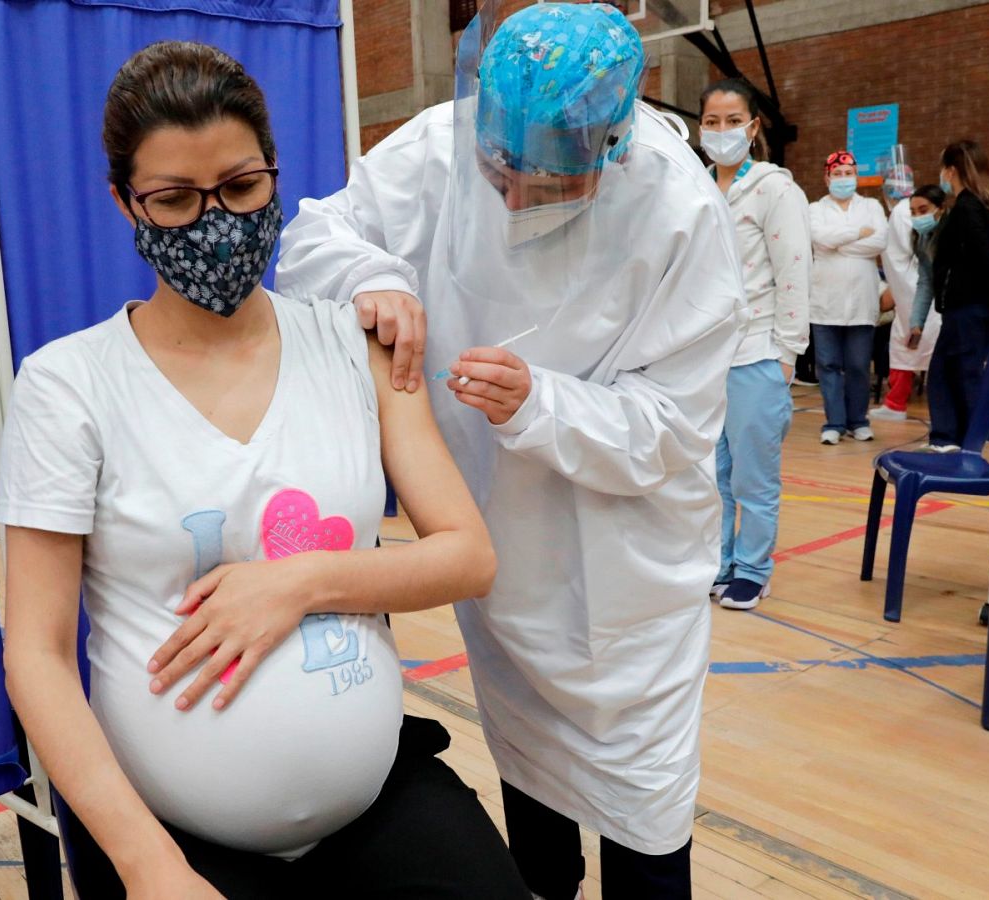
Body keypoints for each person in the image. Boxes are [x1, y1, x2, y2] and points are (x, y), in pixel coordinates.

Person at [0, 41, 530, 900]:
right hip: (170, 837)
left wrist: (301, 581)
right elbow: (38, 654)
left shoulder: (356, 344)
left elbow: (468, 555)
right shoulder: (70, 385)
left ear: (276, 176)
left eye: (242, 188)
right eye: (174, 200)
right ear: (123, 204)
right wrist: (148, 868)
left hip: (375, 805)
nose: (218, 222)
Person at [277, 4, 745, 897]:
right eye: (504, 169)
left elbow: (671, 431)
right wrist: (371, 276)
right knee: (531, 790)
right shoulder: (440, 150)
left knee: (646, 815)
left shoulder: (678, 210)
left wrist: (543, 406)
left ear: (611, 146)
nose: (518, 199)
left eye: (550, 179)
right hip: (499, 557)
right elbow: (313, 238)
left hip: (627, 581)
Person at [697, 77, 809, 611]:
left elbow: (793, 272)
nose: (722, 132)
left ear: (754, 126)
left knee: (752, 476)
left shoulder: (773, 188)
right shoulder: (695, 187)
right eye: (712, 122)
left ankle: (753, 568)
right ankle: (716, 561)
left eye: (732, 121)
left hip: (757, 352)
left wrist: (786, 353)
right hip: (706, 358)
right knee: (711, 474)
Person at [912, 139, 989, 451]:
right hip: (968, 304)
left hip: (967, 306)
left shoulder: (967, 209)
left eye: (944, 168)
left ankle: (958, 438)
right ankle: (956, 436)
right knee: (953, 369)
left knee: (955, 371)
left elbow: (985, 257)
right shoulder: (982, 206)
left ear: (952, 171)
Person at [808, 150, 888, 444]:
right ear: (827, 177)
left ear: (856, 176)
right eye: (837, 174)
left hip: (861, 301)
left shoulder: (872, 206)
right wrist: (857, 232)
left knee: (857, 365)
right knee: (828, 365)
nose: (843, 179)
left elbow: (879, 241)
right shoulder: (814, 209)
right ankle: (834, 423)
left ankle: (858, 420)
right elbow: (820, 239)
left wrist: (839, 241)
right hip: (824, 301)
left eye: (848, 173)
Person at [872, 181, 940, 421]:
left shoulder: (901, 212)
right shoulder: (901, 212)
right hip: (908, 292)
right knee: (904, 343)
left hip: (919, 293)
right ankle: (895, 402)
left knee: (930, 347)